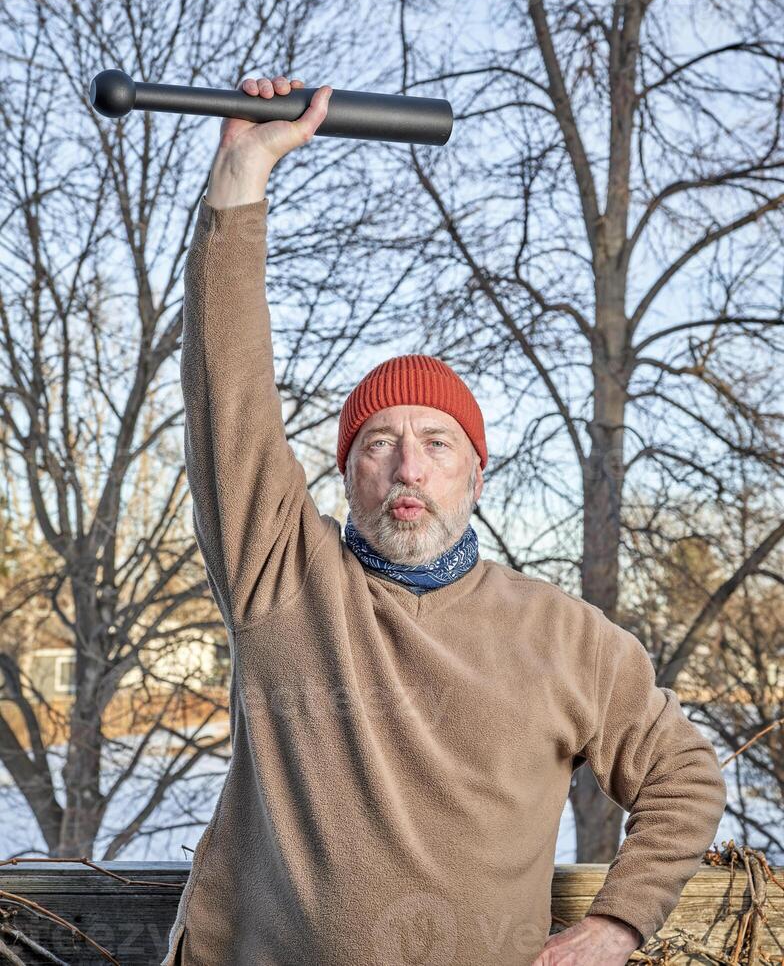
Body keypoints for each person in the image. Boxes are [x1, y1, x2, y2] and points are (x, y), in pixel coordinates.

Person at [163, 71, 727, 966]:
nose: (407, 467)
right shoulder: (284, 584)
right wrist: (240, 178)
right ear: (345, 473)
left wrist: (617, 922)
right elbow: (226, 397)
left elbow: (685, 774)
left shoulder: (566, 639)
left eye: (436, 441)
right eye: (377, 443)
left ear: (477, 473)